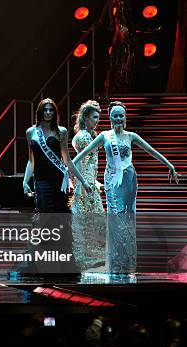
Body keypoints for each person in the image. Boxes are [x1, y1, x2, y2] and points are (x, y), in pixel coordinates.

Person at [73, 101, 180, 273]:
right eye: (114, 115)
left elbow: (151, 151)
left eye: (120, 115)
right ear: (109, 117)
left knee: (127, 219)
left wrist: (170, 166)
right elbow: (83, 154)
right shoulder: (104, 136)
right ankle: (115, 262)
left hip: (128, 179)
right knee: (114, 218)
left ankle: (126, 262)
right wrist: (67, 169)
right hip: (111, 180)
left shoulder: (131, 136)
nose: (118, 118)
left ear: (125, 118)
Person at [21, 98, 90, 274]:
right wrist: (24, 180)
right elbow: (32, 160)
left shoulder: (61, 132)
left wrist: (82, 180)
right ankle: (40, 262)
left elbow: (66, 160)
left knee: (61, 220)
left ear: (55, 112)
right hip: (41, 181)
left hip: (59, 181)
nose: (48, 113)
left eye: (51, 110)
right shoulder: (31, 132)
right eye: (45, 110)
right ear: (40, 112)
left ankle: (65, 262)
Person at [71, 100, 106, 272]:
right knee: (87, 221)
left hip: (90, 182)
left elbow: (91, 163)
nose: (96, 121)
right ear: (85, 118)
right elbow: (80, 164)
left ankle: (91, 258)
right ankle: (85, 259)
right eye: (94, 117)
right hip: (84, 184)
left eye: (98, 118)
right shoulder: (83, 137)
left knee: (94, 220)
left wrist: (96, 182)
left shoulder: (90, 135)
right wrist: (82, 183)